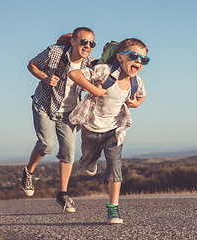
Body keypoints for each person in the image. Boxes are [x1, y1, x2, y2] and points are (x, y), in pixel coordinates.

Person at [68, 38, 149, 224]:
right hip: (90, 127)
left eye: (143, 60)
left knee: (115, 166)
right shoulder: (105, 71)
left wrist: (136, 103)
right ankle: (89, 162)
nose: (138, 61)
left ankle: (113, 208)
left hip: (114, 130)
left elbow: (143, 96)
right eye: (134, 56)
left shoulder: (137, 83)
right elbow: (75, 74)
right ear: (120, 57)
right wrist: (94, 90)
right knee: (88, 162)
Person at [22, 27, 96, 213]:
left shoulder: (90, 63)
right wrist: (45, 78)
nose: (87, 46)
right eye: (83, 42)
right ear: (73, 41)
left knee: (68, 152)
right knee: (46, 145)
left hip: (69, 112)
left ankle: (62, 194)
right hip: (45, 105)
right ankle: (29, 171)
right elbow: (31, 64)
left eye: (91, 43)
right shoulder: (55, 52)